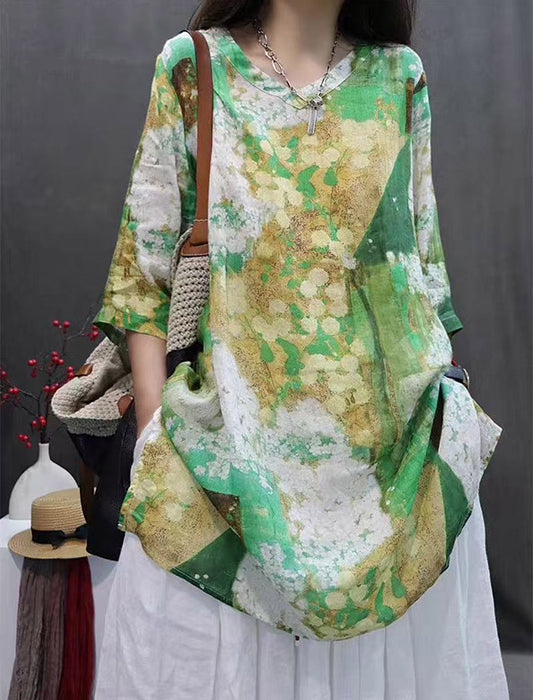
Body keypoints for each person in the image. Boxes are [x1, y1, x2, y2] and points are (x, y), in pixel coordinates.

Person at [92, 1, 510, 697]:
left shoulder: (398, 77)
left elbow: (422, 269)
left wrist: (443, 422)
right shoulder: (194, 66)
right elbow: (145, 274)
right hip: (224, 463)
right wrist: (154, 430)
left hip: (391, 474)